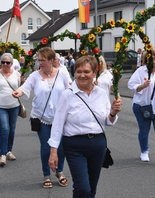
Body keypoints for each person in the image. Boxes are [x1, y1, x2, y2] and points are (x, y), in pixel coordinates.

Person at [48, 55, 123, 198]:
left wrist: (113, 112)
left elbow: (108, 121)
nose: (82, 75)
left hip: (98, 144)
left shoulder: (101, 93)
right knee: (82, 188)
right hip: (75, 146)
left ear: (95, 73)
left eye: (86, 72)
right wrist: (53, 152)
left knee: (92, 187)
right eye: (78, 71)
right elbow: (57, 125)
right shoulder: (67, 95)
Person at [13, 47, 70, 188]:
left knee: (61, 147)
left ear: (52, 61)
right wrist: (18, 92)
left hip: (59, 117)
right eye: (39, 60)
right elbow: (25, 87)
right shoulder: (35, 76)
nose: (40, 63)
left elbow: (71, 89)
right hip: (41, 117)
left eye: (43, 60)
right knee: (46, 147)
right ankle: (46, 174)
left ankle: (59, 171)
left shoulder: (61, 73)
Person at [0, 53, 22, 166]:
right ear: (0, 63)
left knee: (12, 129)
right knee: (4, 128)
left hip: (14, 105)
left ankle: (9, 151)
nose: (5, 64)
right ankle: (2, 154)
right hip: (0, 106)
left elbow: (20, 89)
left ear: (12, 64)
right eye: (3, 62)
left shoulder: (17, 74)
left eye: (8, 63)